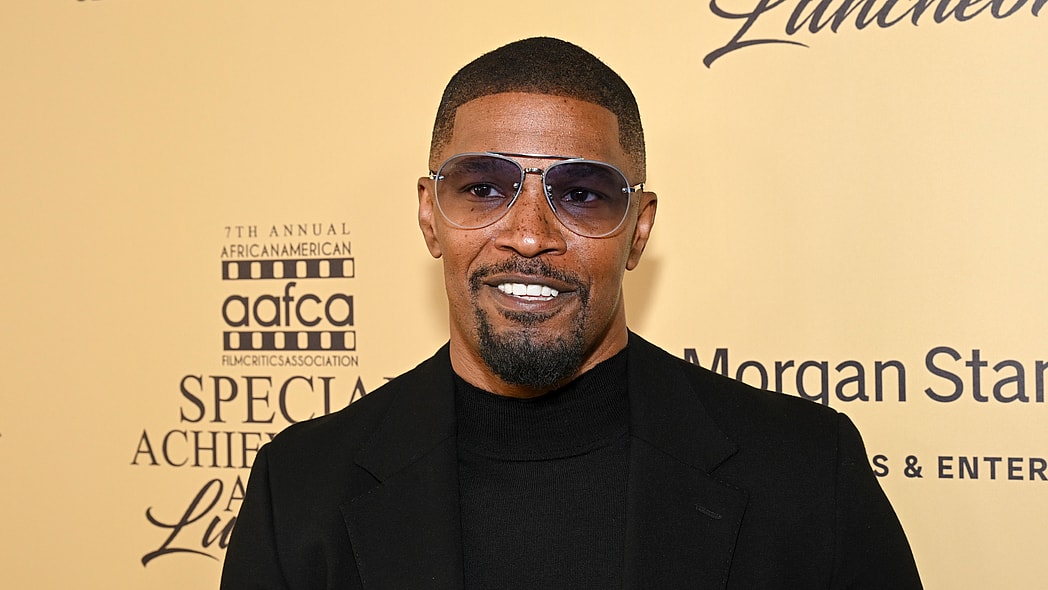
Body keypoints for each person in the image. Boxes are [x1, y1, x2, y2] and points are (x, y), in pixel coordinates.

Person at [220, 37, 922, 589]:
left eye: (582, 195)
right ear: (430, 217)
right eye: (483, 188)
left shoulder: (806, 473)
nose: (529, 236)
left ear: (638, 230)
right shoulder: (301, 490)